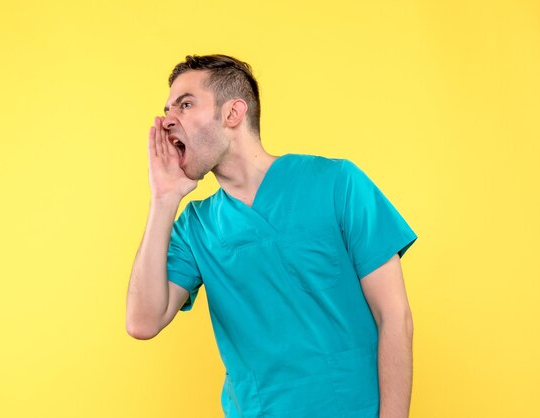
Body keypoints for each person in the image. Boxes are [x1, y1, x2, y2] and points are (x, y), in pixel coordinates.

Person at [126, 54, 418, 418]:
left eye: (185, 105)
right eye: (168, 109)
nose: (168, 121)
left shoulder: (337, 183)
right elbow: (142, 322)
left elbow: (394, 316)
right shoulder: (194, 227)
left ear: (232, 114)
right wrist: (163, 198)